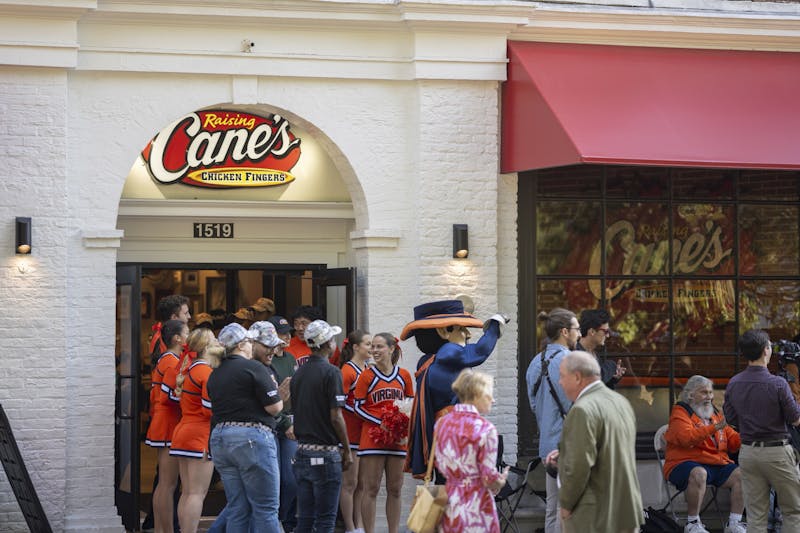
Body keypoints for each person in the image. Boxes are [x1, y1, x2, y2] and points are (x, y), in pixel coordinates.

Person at [401, 299, 508, 480]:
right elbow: (480, 351)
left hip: (442, 429)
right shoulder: (449, 352)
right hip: (457, 429)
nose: (467, 334)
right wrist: (495, 324)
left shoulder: (428, 360)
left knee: (446, 481)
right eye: (461, 329)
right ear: (443, 332)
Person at [553, 351, 643, 533]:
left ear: (577, 377)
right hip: (625, 509)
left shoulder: (582, 410)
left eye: (562, 376)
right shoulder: (621, 402)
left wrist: (566, 505)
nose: (560, 382)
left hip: (593, 515)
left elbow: (579, 466)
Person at [206, 323, 283, 533]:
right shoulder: (253, 367)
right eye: (249, 341)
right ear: (241, 345)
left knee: (238, 507)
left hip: (221, 439)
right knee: (266, 507)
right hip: (252, 438)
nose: (251, 345)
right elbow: (275, 408)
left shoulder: (215, 373)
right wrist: (281, 396)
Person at [724, 329, 800, 532]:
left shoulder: (734, 383)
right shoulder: (778, 383)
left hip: (748, 452)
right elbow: (796, 418)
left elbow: (730, 418)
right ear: (766, 350)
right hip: (777, 452)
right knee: (793, 511)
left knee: (756, 515)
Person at [291, 319, 352, 533]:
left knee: (305, 519)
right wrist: (347, 449)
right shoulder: (332, 372)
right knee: (325, 520)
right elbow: (336, 416)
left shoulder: (298, 373)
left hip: (303, 453)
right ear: (327, 344)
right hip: (325, 454)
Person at [663, 375, 744, 533]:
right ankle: (692, 523)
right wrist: (714, 428)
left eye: (711, 392)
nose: (709, 397)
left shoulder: (714, 413)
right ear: (691, 395)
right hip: (683, 464)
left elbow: (732, 440)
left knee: (743, 474)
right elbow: (686, 438)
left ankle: (734, 523)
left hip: (715, 463)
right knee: (699, 473)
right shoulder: (680, 411)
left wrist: (749, 435)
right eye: (704, 392)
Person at [433, 369, 509, 532]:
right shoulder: (486, 429)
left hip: (449, 501)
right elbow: (488, 476)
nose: (493, 400)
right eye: (489, 394)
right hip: (477, 504)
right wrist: (501, 481)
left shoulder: (441, 424)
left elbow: (439, 463)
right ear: (477, 394)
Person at [525, 307, 580, 533]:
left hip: (547, 445)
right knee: (571, 509)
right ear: (565, 331)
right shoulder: (572, 362)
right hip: (570, 446)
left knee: (552, 507)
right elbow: (578, 407)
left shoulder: (535, 362)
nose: (579, 333)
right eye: (577, 329)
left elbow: (534, 405)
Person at [354, 333, 413, 533]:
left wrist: (402, 424)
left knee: (395, 489)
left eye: (380, 347)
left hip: (397, 439)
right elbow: (357, 407)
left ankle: (393, 531)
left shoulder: (404, 375)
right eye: (373, 347)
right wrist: (381, 422)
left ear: (391, 349)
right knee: (371, 488)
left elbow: (411, 405)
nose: (374, 351)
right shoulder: (367, 376)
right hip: (373, 438)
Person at [167, 328, 222, 533]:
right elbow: (209, 410)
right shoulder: (205, 372)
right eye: (214, 340)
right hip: (199, 435)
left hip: (183, 432)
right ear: (207, 347)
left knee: (187, 492)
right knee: (197, 494)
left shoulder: (189, 368)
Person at [249, 320, 298, 533]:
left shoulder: (287, 360)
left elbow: (286, 397)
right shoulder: (253, 366)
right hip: (264, 428)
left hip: (285, 424)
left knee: (289, 479)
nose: (286, 339)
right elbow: (269, 403)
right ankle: (272, 522)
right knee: (268, 483)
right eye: (281, 335)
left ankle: (281, 519)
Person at [145, 319, 188, 533]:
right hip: (169, 421)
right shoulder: (172, 361)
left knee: (165, 483)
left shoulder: (169, 358)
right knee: (168, 484)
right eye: (186, 332)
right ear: (177, 338)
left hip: (165, 420)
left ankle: (162, 529)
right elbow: (172, 395)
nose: (189, 335)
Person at [339, 330, 372, 533]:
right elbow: (339, 404)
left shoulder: (368, 369)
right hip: (351, 433)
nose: (372, 348)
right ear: (356, 347)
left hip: (365, 434)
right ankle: (350, 527)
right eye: (368, 344)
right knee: (349, 483)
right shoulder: (347, 370)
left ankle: (359, 524)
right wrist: (363, 413)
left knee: (362, 483)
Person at [576, 308, 625, 388]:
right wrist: (612, 366)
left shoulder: (594, 354)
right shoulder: (576, 355)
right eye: (605, 331)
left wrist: (613, 378)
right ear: (592, 331)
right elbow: (592, 380)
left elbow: (599, 385)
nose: (608, 335)